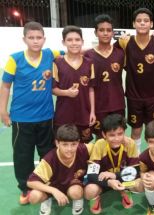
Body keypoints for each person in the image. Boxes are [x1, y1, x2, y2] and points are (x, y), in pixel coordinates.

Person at [0, 21, 64, 204]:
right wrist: (2, 111)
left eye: (38, 38)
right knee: (23, 155)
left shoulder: (50, 54)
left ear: (44, 39)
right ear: (24, 39)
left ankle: (47, 183)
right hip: (22, 118)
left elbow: (74, 50)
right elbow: (5, 87)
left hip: (46, 117)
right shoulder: (15, 59)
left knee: (48, 153)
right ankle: (25, 187)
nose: (35, 41)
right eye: (31, 38)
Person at [114, 8, 154, 153]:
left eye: (146, 21)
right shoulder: (125, 41)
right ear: (133, 24)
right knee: (136, 130)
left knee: (153, 130)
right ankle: (135, 159)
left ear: (151, 24)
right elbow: (108, 53)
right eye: (139, 21)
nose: (142, 23)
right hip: (134, 96)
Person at [27, 124, 93, 215]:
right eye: (65, 144)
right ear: (57, 143)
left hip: (73, 185)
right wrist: (54, 191)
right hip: (53, 186)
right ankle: (47, 199)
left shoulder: (84, 149)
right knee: (34, 197)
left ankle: (77, 199)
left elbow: (101, 147)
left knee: (76, 192)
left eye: (73, 144)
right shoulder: (49, 159)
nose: (69, 149)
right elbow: (31, 182)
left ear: (78, 142)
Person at [84, 114, 142, 214]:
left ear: (124, 132)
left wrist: (115, 175)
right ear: (104, 134)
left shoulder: (130, 143)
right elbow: (91, 175)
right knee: (89, 191)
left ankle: (124, 190)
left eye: (120, 134)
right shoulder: (99, 144)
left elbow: (136, 171)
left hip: (123, 180)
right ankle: (97, 198)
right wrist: (109, 182)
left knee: (141, 184)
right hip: (104, 182)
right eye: (112, 135)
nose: (116, 138)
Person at [85, 14, 126, 139]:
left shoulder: (121, 53)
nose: (105, 33)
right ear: (95, 33)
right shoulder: (88, 55)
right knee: (100, 138)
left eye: (108, 30)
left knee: (118, 136)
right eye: (101, 30)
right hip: (98, 105)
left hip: (117, 103)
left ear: (113, 33)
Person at [52, 25, 96, 143]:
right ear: (63, 42)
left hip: (84, 114)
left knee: (84, 149)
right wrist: (66, 93)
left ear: (82, 42)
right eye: (69, 40)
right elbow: (53, 89)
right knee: (64, 147)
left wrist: (92, 112)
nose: (74, 43)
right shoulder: (57, 62)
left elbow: (91, 89)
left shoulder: (89, 63)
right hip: (63, 116)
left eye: (77, 40)